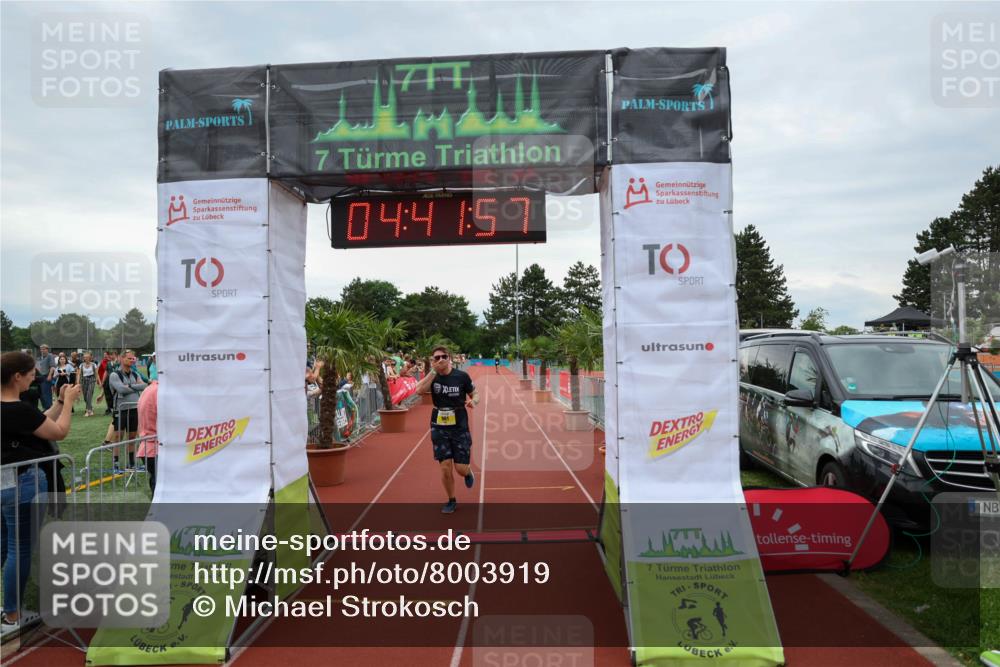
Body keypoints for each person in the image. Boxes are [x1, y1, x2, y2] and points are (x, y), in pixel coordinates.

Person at [1, 351, 81, 631]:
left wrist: (58, 402)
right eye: (31, 374)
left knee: (4, 546)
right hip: (23, 483)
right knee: (20, 549)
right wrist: (68, 404)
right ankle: (13, 615)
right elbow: (58, 432)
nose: (34, 378)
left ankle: (9, 610)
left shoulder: (18, 410)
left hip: (4, 482)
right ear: (17, 377)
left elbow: (37, 422)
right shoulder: (19, 410)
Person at [413, 346, 478, 514]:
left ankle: (468, 472)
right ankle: (451, 500)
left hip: (459, 425)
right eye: (437, 358)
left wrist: (474, 401)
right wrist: (433, 371)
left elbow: (475, 394)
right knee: (445, 466)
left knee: (460, 468)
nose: (440, 360)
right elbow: (419, 390)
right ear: (433, 361)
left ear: (449, 358)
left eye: (443, 356)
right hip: (439, 425)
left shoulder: (461, 376)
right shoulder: (432, 376)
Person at [108, 350, 148, 472]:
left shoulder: (135, 374)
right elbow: (121, 389)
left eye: (133, 358)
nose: (132, 360)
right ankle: (115, 465)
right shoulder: (115, 375)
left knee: (132, 438)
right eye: (129, 358)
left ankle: (131, 464)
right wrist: (134, 387)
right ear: (121, 359)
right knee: (118, 438)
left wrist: (129, 386)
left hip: (135, 409)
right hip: (121, 410)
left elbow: (144, 386)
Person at [136, 379, 158, 493]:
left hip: (147, 447)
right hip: (156, 447)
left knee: (155, 481)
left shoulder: (148, 389)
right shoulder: (160, 392)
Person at [77, 352, 101, 417]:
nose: (86, 358)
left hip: (91, 380)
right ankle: (90, 408)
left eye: (87, 357)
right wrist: (78, 383)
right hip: (84, 381)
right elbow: (79, 374)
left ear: (90, 358)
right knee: (85, 397)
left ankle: (88, 411)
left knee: (89, 395)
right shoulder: (81, 365)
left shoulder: (94, 365)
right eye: (85, 357)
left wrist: (99, 383)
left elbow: (97, 374)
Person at [34, 345, 56, 410]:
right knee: (41, 393)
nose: (42, 350)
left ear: (47, 349)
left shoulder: (50, 356)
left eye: (43, 349)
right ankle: (45, 408)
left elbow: (52, 367)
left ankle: (49, 408)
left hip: (46, 376)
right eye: (41, 349)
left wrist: (50, 375)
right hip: (41, 377)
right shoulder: (41, 357)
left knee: (46, 393)